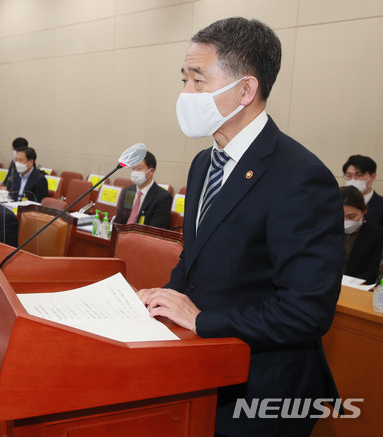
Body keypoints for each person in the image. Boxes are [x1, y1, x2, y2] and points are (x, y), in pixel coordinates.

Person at [137, 18, 344, 437]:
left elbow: (305, 312)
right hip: (204, 372)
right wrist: (168, 295)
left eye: (198, 82)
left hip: (263, 389)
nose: (185, 94)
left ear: (245, 91)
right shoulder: (203, 163)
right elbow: (196, 256)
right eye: (184, 80)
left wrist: (202, 321)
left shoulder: (301, 176)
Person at [114, 151, 172, 228]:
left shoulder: (162, 197)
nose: (135, 172)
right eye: (133, 168)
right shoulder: (128, 191)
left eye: (139, 168)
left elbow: (156, 229)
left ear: (151, 171)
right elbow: (119, 219)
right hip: (122, 235)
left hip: (142, 237)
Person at [341, 186, 383, 284]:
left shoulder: (375, 234)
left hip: (356, 287)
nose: (346, 221)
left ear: (364, 211)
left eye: (351, 216)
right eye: (341, 216)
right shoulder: (328, 231)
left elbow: (372, 272)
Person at [342, 155, 383, 227]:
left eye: (359, 175)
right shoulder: (336, 202)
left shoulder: (380, 206)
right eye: (349, 175)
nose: (353, 179)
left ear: (373, 177)